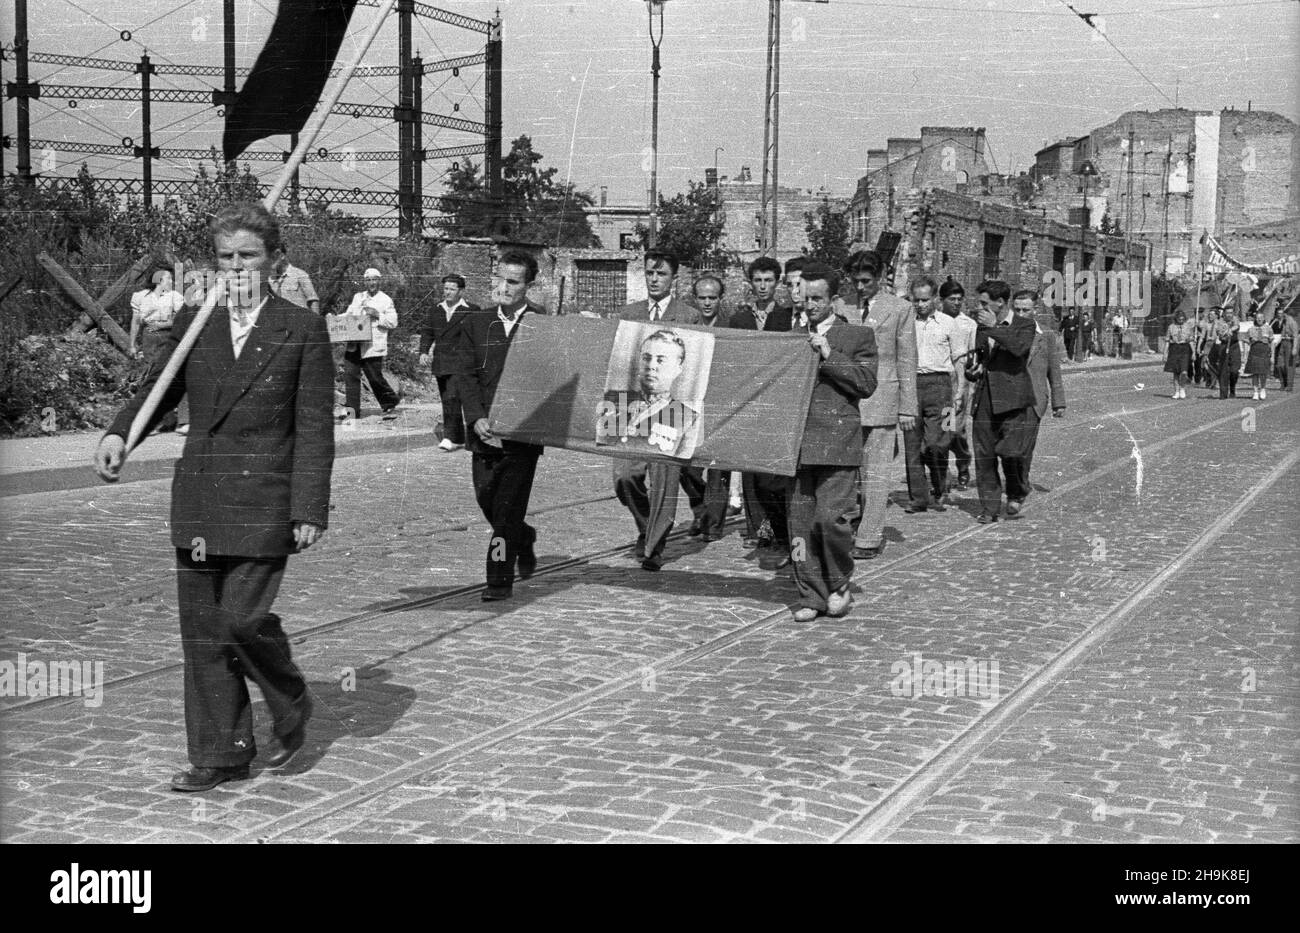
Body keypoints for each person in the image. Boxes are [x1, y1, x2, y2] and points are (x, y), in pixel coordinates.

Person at [92, 202, 334, 793]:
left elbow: (314, 425)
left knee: (242, 619)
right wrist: (121, 432)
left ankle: (290, 695)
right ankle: (220, 754)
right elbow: (158, 391)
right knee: (204, 631)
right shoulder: (194, 324)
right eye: (226, 257)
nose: (237, 266)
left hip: (265, 496)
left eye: (248, 255)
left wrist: (308, 506)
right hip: (201, 494)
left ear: (274, 260)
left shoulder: (300, 329)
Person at [787, 263, 878, 622]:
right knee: (800, 526)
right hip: (796, 445)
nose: (809, 305)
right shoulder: (791, 336)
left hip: (838, 443)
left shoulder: (856, 336)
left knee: (830, 520)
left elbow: (867, 383)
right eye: (804, 297)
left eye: (817, 299)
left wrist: (829, 355)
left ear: (834, 299)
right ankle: (810, 593)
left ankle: (839, 583)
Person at [456, 251, 546, 601]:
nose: (503, 288)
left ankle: (498, 579)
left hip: (522, 437)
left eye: (513, 282)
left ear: (528, 285)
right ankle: (522, 536)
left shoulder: (542, 325)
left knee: (506, 511)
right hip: (483, 433)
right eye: (500, 279)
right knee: (487, 499)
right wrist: (476, 416)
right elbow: (465, 375)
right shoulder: (476, 322)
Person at [612, 251, 706, 571]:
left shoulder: (689, 316)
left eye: (661, 274)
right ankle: (645, 527)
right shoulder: (629, 313)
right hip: (634, 407)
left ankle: (654, 545)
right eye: (650, 273)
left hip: (672, 408)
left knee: (664, 479)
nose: (654, 279)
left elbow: (694, 367)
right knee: (625, 477)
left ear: (673, 279)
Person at [848, 251, 916, 560]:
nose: (860, 287)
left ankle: (869, 537)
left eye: (867, 281)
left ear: (881, 276)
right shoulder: (843, 304)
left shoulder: (900, 309)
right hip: (846, 398)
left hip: (882, 398)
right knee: (849, 473)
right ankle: (854, 522)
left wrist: (907, 407)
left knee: (875, 473)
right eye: (856, 280)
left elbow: (906, 359)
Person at [729, 256, 793, 548]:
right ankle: (758, 528)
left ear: (777, 283)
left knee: (775, 470)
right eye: (758, 280)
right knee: (749, 469)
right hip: (747, 399)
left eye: (769, 280)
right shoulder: (739, 319)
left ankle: (780, 525)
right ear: (750, 282)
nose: (763, 286)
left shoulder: (786, 317)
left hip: (778, 401)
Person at [968, 279, 1036, 523]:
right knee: (984, 454)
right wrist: (972, 369)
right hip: (985, 397)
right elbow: (979, 357)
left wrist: (995, 326)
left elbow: (1018, 348)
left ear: (1000, 303)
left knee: (1011, 452)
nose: (980, 307)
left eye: (985, 303)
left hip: (1013, 398)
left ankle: (1017, 489)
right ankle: (989, 508)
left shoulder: (1024, 325)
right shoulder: (982, 325)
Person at [902, 276, 964, 514]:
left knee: (941, 442)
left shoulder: (949, 323)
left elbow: (959, 359)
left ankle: (940, 487)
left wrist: (960, 392)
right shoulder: (906, 323)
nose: (920, 305)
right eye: (916, 300)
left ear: (936, 299)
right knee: (912, 444)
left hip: (943, 388)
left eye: (925, 300)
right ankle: (918, 498)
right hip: (912, 385)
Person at [597, 329, 701, 459]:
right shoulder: (610, 399)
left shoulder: (689, 418)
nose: (651, 365)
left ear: (677, 369)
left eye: (661, 360)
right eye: (646, 358)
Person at [419, 273, 481, 452]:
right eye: (446, 288)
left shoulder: (472, 310)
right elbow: (427, 332)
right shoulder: (435, 309)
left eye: (452, 289)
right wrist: (423, 351)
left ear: (461, 291)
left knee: (453, 398)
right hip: (441, 361)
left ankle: (451, 437)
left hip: (461, 362)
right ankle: (459, 437)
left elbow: (478, 336)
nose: (448, 292)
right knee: (447, 398)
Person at [692, 274, 731, 540]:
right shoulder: (689, 326)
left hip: (723, 404)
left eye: (712, 298)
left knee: (719, 468)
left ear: (720, 299)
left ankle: (713, 525)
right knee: (686, 466)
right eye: (702, 298)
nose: (707, 303)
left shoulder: (732, 327)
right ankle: (701, 509)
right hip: (693, 404)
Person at [1016, 294, 1067, 494]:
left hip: (1035, 398)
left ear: (1035, 310)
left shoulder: (1046, 336)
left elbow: (1054, 371)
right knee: (1011, 444)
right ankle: (1018, 479)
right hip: (1010, 398)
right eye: (1017, 309)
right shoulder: (1007, 332)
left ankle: (1021, 480)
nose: (1021, 314)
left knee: (1026, 444)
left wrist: (1058, 402)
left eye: (1025, 310)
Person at [129, 268, 190, 435]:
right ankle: (159, 421)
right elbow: (135, 322)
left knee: (177, 375)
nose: (171, 281)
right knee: (152, 376)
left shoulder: (175, 297)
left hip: (170, 335)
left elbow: (181, 319)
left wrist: (163, 325)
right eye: (168, 279)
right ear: (159, 281)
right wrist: (132, 344)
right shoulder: (140, 297)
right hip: (149, 337)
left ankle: (184, 421)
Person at [342, 268, 401, 418]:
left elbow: (393, 322)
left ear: (379, 281)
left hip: (372, 345)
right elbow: (349, 314)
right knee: (350, 376)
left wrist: (377, 314)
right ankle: (352, 412)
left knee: (374, 376)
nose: (371, 283)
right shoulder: (358, 297)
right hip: (354, 343)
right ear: (364, 282)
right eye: (368, 280)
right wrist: (334, 318)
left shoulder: (385, 300)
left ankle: (390, 403)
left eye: (374, 279)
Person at [939, 279, 977, 489]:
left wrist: (969, 383)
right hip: (940, 382)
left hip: (961, 383)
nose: (956, 303)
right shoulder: (934, 320)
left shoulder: (968, 324)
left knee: (956, 431)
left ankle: (963, 463)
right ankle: (943, 474)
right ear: (941, 300)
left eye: (959, 299)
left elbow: (972, 357)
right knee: (944, 429)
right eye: (951, 299)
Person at [1165, 309, 1195, 399]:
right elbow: (1167, 341)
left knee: (1184, 372)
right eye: (1179, 319)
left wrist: (1193, 352)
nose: (1181, 321)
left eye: (1182, 319)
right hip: (1174, 349)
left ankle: (1182, 388)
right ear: (1176, 318)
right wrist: (1165, 354)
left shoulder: (1188, 326)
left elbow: (1191, 341)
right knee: (1176, 372)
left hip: (1185, 349)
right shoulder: (1171, 327)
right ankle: (1176, 391)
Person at [1243, 310, 1273, 400]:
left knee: (1263, 373)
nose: (1259, 319)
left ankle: (1263, 389)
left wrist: (1272, 352)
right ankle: (1255, 392)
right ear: (1255, 319)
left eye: (1261, 318)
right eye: (1257, 318)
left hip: (1264, 351)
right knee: (1255, 373)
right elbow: (1245, 339)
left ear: (1263, 319)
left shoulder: (1268, 328)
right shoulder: (1251, 329)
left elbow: (1271, 341)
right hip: (1254, 351)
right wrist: (1251, 341)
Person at [1215, 309, 1242, 399]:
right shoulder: (1219, 322)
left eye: (1231, 313)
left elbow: (1237, 326)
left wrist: (1231, 329)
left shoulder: (1235, 319)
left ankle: (1232, 389)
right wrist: (1225, 333)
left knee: (1234, 370)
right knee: (1223, 370)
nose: (1229, 315)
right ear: (1224, 314)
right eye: (1227, 313)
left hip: (1234, 346)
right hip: (1224, 345)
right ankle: (1223, 393)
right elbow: (1219, 333)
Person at [1270, 306, 1298, 392]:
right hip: (1282, 342)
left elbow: (1296, 336)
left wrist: (1294, 348)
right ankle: (1283, 384)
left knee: (1289, 366)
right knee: (1279, 364)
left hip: (1290, 343)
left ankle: (1289, 386)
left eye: (1283, 313)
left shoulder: (1292, 322)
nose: (1281, 315)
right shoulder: (1283, 321)